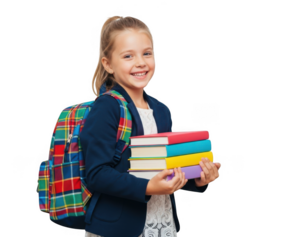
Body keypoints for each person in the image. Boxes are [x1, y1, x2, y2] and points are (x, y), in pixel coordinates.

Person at [80, 15, 221, 237]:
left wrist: (197, 179)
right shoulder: (107, 107)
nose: (140, 62)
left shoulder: (161, 109)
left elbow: (163, 168)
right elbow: (97, 174)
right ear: (108, 64)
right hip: (117, 229)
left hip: (162, 223)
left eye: (147, 53)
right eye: (128, 56)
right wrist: (148, 187)